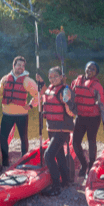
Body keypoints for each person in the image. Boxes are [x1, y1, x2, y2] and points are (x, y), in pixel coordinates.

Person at [0, 56, 39, 167]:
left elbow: (38, 94)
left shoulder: (28, 81)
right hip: (7, 114)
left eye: (23, 66)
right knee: (3, 137)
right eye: (18, 65)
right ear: (13, 66)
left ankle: (24, 160)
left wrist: (32, 105)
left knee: (24, 138)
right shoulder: (5, 79)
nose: (21, 68)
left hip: (22, 114)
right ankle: (5, 161)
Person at [36, 66, 76, 196]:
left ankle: (56, 186)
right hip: (51, 128)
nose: (53, 79)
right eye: (51, 77)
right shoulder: (50, 89)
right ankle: (65, 181)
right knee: (58, 155)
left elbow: (72, 112)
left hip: (62, 129)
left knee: (48, 155)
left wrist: (67, 103)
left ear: (61, 77)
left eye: (55, 76)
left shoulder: (65, 90)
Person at [70, 61, 104, 178]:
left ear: (96, 73)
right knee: (75, 142)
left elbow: (102, 104)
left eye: (93, 69)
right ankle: (83, 164)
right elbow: (69, 97)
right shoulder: (76, 82)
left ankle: (91, 166)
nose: (90, 70)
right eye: (88, 68)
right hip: (80, 117)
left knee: (91, 142)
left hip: (93, 118)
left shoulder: (97, 86)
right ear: (85, 68)